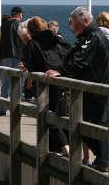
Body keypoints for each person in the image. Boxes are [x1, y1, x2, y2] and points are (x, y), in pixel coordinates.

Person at [60, 6, 109, 170]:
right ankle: (103, 158)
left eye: (76, 25)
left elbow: (80, 60)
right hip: (94, 85)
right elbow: (74, 56)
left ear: (85, 21)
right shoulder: (87, 35)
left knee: (88, 122)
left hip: (100, 86)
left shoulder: (93, 36)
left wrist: (61, 72)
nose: (73, 28)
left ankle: (104, 159)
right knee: (84, 123)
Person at [21, 16, 71, 153]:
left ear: (30, 31)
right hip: (62, 81)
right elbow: (70, 55)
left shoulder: (33, 43)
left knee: (48, 115)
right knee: (63, 115)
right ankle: (66, 146)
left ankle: (63, 148)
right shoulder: (59, 39)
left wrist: (26, 68)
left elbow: (30, 64)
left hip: (44, 85)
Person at [0, 7, 24, 115]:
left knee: (5, 82)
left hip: (5, 57)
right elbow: (24, 42)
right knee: (17, 83)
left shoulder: (3, 26)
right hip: (19, 57)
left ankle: (2, 109)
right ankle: (16, 108)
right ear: (20, 15)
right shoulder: (21, 25)